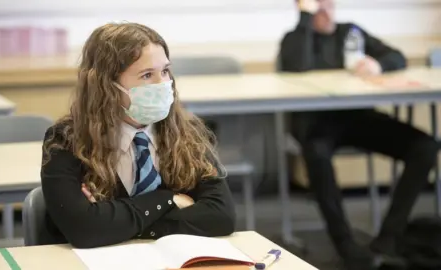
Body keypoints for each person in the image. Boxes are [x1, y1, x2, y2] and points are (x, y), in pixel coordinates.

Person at [41, 22, 236, 249]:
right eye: (146, 75)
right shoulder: (67, 139)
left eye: (164, 71)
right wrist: (168, 200)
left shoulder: (188, 132)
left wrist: (116, 224)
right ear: (107, 85)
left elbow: (221, 216)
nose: (163, 84)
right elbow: (84, 230)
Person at [277, 0, 439, 269]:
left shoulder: (350, 32)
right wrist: (305, 20)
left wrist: (378, 65)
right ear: (304, 9)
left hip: (356, 119)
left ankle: (388, 238)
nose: (325, 11)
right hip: (315, 124)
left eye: (328, 4)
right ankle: (345, 244)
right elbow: (295, 67)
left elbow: (396, 56)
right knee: (316, 153)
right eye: (317, 7)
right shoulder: (295, 39)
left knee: (425, 147)